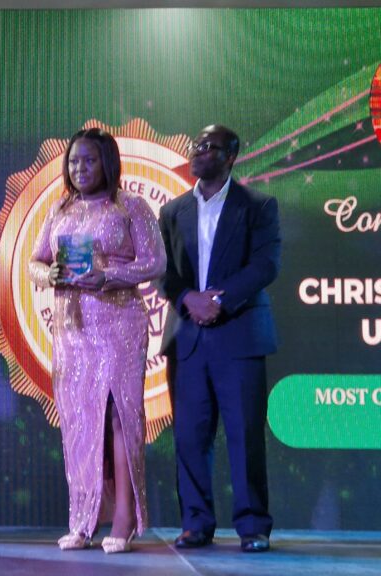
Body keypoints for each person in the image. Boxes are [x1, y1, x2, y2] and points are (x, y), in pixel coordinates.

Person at [29, 128, 166, 554]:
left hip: (119, 322)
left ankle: (124, 519)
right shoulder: (60, 209)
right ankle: (83, 520)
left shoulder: (131, 206)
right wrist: (47, 274)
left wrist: (108, 275)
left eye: (88, 160)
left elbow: (155, 262)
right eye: (73, 161)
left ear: (107, 162)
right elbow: (35, 262)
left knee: (120, 418)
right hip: (73, 329)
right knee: (81, 421)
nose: (80, 168)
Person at [158, 125, 281, 553]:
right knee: (190, 438)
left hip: (240, 335)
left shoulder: (258, 206)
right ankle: (196, 524)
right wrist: (188, 298)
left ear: (231, 157)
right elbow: (163, 271)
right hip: (188, 339)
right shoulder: (172, 211)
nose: (198, 151)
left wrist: (219, 301)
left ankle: (253, 527)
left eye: (209, 147)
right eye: (197, 145)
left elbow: (266, 265)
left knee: (245, 435)